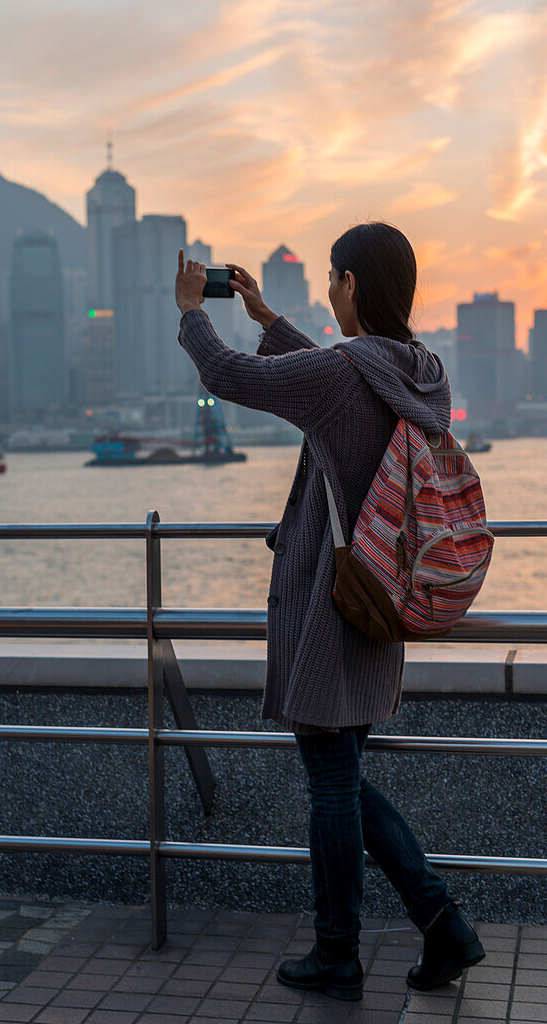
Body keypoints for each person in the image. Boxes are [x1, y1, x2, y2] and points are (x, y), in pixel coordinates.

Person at [175, 222, 486, 1002]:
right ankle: (440, 923)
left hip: (333, 606)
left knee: (330, 783)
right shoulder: (417, 371)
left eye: (330, 278)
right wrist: (268, 317)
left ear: (352, 285)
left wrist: (193, 312)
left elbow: (230, 375)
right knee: (341, 776)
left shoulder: (346, 375)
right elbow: (334, 375)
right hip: (384, 594)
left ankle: (340, 951)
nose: (325, 289)